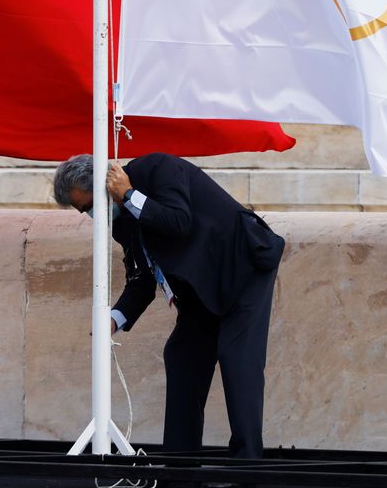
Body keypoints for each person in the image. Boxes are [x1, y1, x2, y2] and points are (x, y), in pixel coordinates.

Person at [52, 152, 284, 459]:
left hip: (243, 266)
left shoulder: (159, 168)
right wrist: (113, 319)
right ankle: (181, 470)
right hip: (201, 286)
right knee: (182, 356)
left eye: (90, 207)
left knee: (237, 359)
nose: (91, 216)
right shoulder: (121, 219)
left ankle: (247, 469)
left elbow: (178, 221)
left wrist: (130, 195)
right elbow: (142, 279)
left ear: (107, 183)